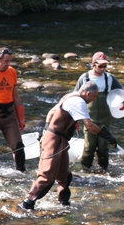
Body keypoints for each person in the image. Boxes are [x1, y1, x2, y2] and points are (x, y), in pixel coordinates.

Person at [18, 82, 117, 210]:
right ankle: (27, 203)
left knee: (64, 175)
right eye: (94, 96)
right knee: (47, 175)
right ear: (88, 94)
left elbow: (51, 112)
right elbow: (90, 126)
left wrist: (47, 129)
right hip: (54, 140)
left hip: (60, 140)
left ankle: (64, 203)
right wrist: (107, 136)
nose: (94, 99)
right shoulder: (78, 102)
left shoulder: (69, 96)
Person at [74, 51, 124, 173]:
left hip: (105, 119)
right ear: (93, 64)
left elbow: (123, 91)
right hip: (89, 119)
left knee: (104, 147)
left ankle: (104, 171)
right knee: (89, 147)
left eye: (105, 66)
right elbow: (75, 98)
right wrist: (75, 120)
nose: (103, 68)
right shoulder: (84, 78)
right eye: (100, 66)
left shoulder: (109, 78)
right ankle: (85, 171)